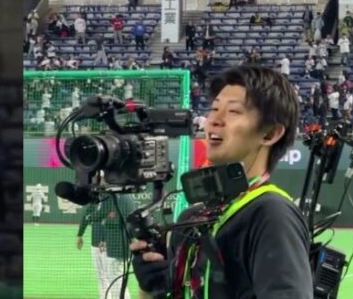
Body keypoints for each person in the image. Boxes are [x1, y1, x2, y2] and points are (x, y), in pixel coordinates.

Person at [130, 65, 311, 298]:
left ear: (270, 134)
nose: (213, 120)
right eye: (214, 108)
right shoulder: (190, 221)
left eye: (233, 112)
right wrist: (150, 287)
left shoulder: (271, 214)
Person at [80, 193, 136, 299]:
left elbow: (100, 214)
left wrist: (88, 217)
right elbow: (109, 218)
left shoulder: (111, 196)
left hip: (117, 247)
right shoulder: (127, 196)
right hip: (125, 245)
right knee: (118, 281)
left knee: (116, 282)